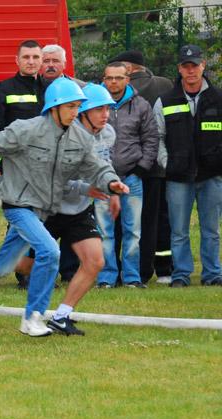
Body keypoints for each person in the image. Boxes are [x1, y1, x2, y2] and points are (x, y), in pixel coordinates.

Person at [0, 78, 128, 336]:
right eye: (71, 106)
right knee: (50, 252)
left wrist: (112, 183)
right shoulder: (26, 129)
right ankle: (33, 317)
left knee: (3, 266)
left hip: (42, 211)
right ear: (54, 107)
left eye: (78, 106)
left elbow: (96, 166)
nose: (76, 112)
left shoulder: (79, 138)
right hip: (17, 205)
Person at [17, 84, 117, 335]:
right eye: (98, 109)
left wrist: (112, 190)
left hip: (79, 211)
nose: (105, 114)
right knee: (22, 266)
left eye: (107, 108)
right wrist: (86, 188)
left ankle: (61, 316)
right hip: (47, 206)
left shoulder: (108, 134)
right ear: (82, 112)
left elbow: (103, 168)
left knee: (95, 261)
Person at [153, 44, 222, 287]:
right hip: (178, 177)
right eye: (186, 66)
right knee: (179, 231)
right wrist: (167, 164)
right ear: (179, 69)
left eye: (195, 65)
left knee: (211, 230)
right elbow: (157, 137)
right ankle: (181, 275)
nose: (191, 70)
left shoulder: (218, 98)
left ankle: (213, 274)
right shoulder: (165, 100)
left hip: (212, 176)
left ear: (203, 66)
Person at [0, 40, 45, 286]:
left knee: (37, 220)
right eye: (26, 57)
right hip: (15, 168)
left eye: (35, 57)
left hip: (44, 168)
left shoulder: (49, 89)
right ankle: (22, 273)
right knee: (23, 218)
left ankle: (4, 263)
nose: (31, 61)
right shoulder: (4, 89)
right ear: (17, 61)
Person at [108, 49, 174, 285]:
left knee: (113, 225)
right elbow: (153, 136)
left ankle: (112, 274)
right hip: (152, 169)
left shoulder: (115, 95)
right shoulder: (164, 84)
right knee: (148, 222)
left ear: (129, 69)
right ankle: (147, 272)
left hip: (120, 172)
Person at [94, 61, 158, 288]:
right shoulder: (95, 106)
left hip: (132, 177)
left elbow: (151, 139)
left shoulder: (141, 106)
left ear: (128, 79)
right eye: (109, 78)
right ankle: (106, 277)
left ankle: (131, 277)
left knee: (133, 231)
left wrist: (141, 168)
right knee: (105, 232)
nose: (113, 82)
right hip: (102, 179)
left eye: (118, 78)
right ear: (103, 79)